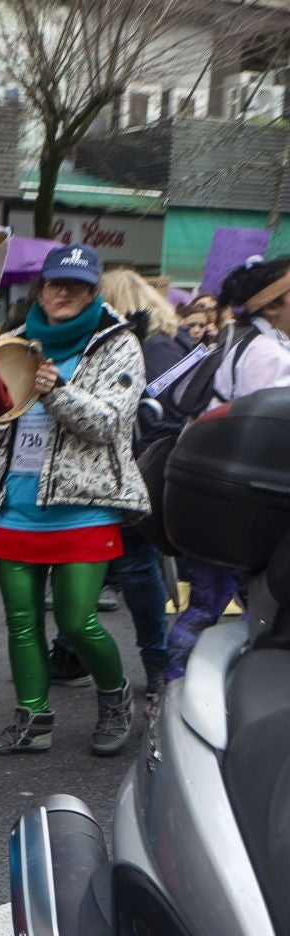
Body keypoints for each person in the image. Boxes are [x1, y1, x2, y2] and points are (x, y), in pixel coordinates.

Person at [0, 244, 149, 757]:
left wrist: (57, 391)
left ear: (94, 291)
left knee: (77, 621)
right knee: (21, 622)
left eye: (77, 285)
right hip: (17, 506)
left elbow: (109, 423)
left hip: (83, 505)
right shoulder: (17, 340)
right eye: (56, 284)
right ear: (41, 289)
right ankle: (33, 721)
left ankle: (115, 698)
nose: (65, 293)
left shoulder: (117, 343)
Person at [41, 269, 179, 702]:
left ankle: (152, 662)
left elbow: (114, 417)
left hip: (121, 472)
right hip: (145, 470)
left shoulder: (128, 344)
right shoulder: (168, 345)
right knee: (112, 570)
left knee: (130, 569)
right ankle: (88, 656)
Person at [165, 256, 290, 682]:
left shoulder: (237, 338)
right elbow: (275, 437)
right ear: (272, 306)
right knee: (254, 611)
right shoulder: (269, 353)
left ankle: (172, 692)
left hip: (209, 496)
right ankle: (192, 697)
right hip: (241, 506)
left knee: (209, 604)